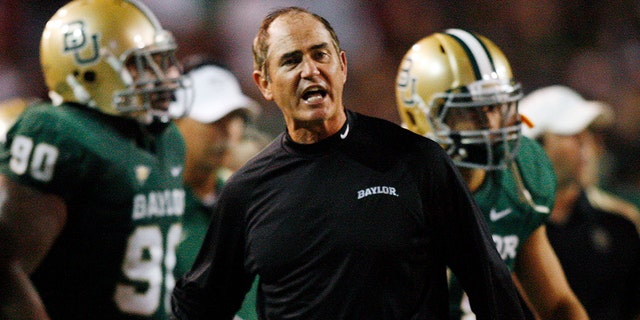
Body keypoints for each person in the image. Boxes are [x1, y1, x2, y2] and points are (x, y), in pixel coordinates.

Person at [171, 7, 527, 320]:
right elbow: (201, 306)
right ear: (264, 84)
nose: (310, 70)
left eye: (320, 55)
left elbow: (490, 284)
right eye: (291, 60)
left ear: (341, 65)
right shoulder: (246, 191)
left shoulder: (416, 160)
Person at [0, 0, 191, 319]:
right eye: (140, 64)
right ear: (89, 70)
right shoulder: (58, 133)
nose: (168, 75)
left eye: (163, 60)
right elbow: (5, 267)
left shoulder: (166, 139)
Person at [395, 29, 588, 319]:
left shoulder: (520, 177)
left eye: (495, 106)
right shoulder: (389, 190)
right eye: (470, 112)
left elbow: (558, 304)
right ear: (422, 116)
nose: (491, 125)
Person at [519, 85, 640, 320]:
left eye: (588, 133)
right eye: (572, 133)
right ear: (534, 146)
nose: (587, 144)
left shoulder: (620, 226)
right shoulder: (506, 227)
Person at [172, 59, 263, 320]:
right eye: (214, 120)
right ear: (176, 121)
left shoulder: (250, 202)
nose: (227, 133)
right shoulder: (158, 205)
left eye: (233, 119)